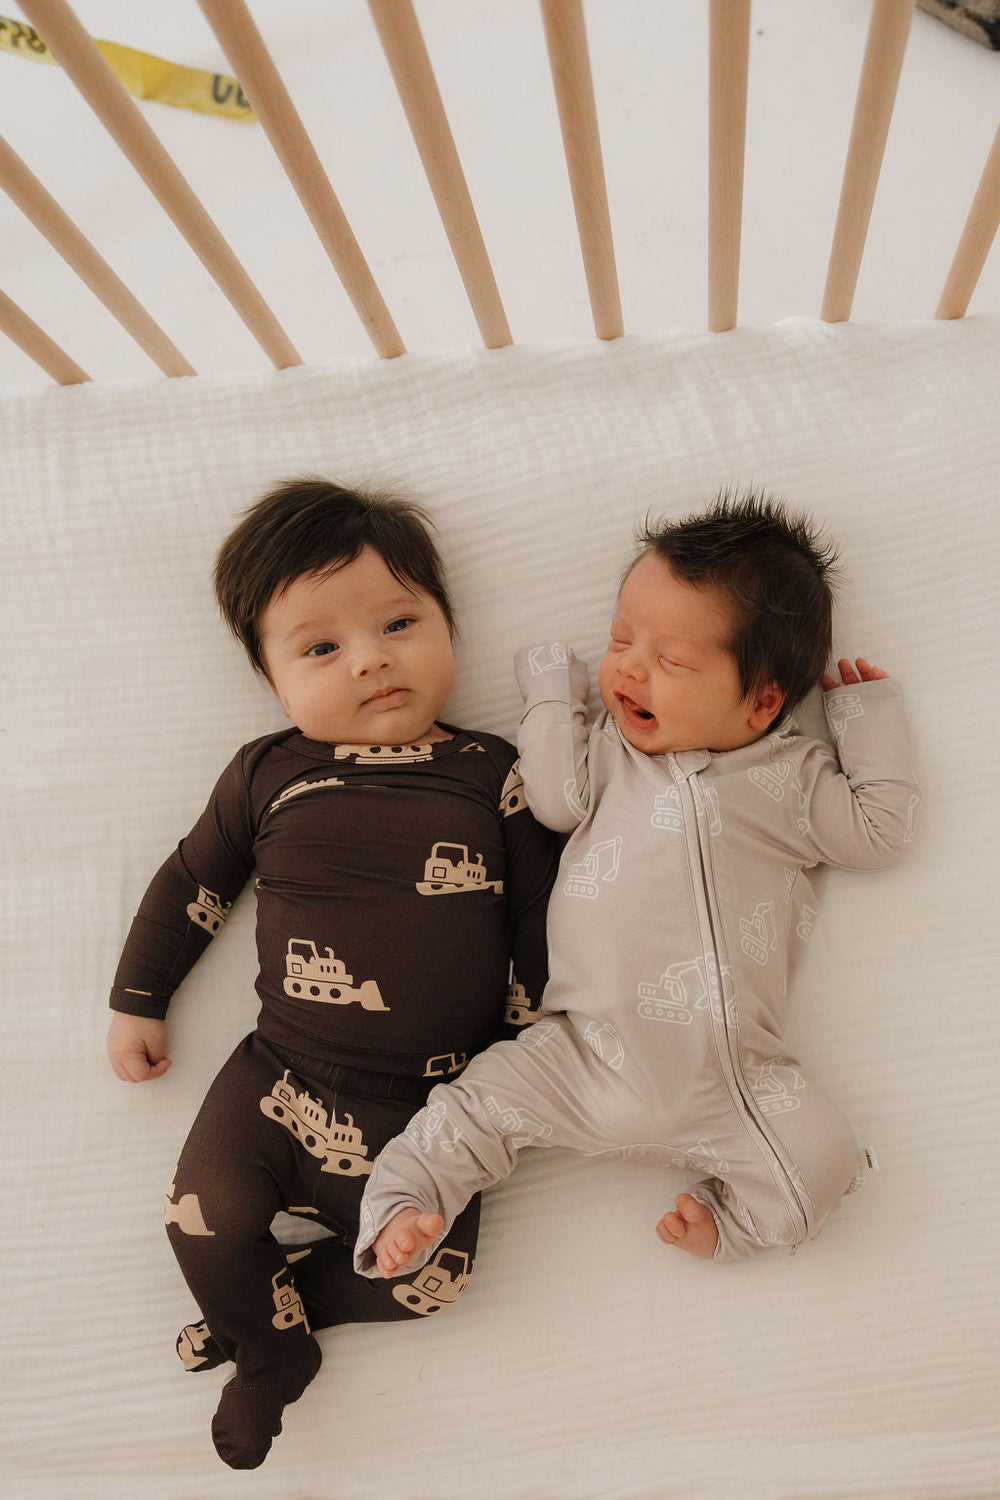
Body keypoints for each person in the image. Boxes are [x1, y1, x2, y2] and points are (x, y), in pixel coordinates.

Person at [355, 489, 919, 1284]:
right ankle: (403, 1207)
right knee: (472, 1107)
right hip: (584, 1053)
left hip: (740, 1083)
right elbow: (554, 798)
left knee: (826, 1161)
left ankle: (731, 1222)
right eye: (621, 639)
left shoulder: (790, 777)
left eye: (671, 661)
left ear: (762, 703)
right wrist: (554, 697)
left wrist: (865, 717)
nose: (628, 668)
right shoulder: (611, 755)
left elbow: (879, 832)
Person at [106, 478, 557, 1470]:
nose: (371, 658)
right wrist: (139, 998)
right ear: (274, 682)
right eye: (321, 648)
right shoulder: (268, 771)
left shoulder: (495, 772)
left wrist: (533, 1044)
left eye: (400, 623)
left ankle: (263, 1319)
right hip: (280, 1075)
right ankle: (273, 1354)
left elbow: (538, 915)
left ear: (446, 624)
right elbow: (192, 884)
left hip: (436, 1109)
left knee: (429, 1280)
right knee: (203, 1220)